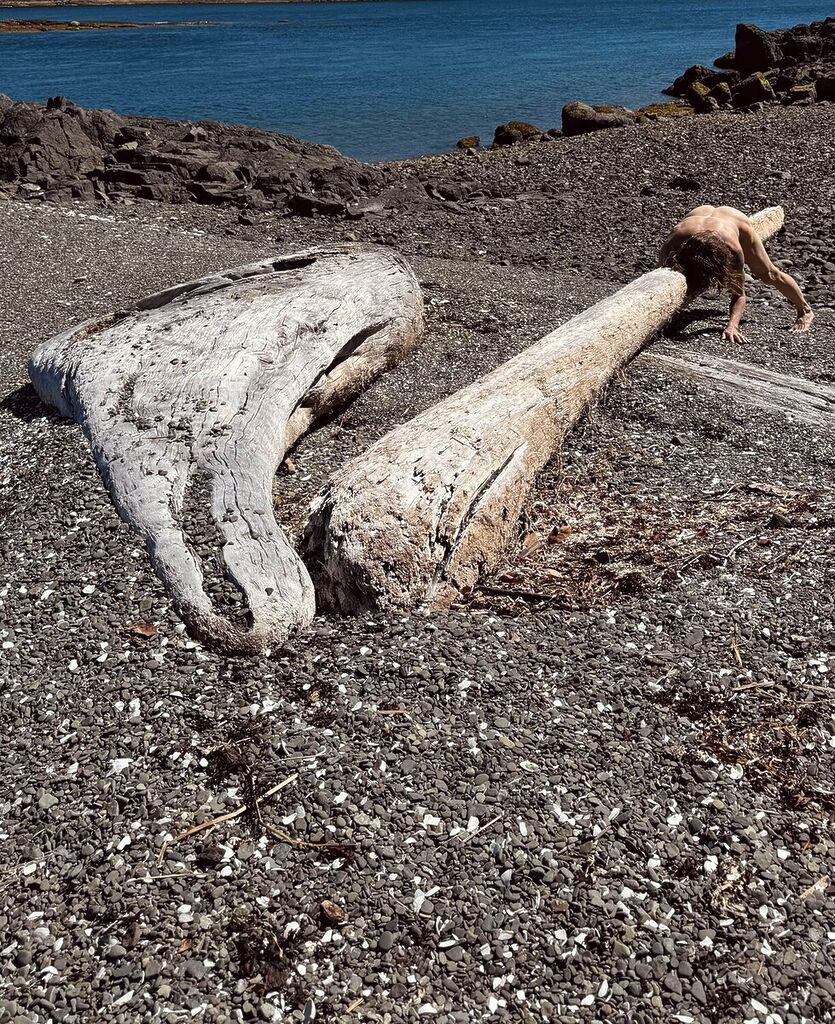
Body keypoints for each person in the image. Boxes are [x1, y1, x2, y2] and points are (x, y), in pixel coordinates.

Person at [659, 205, 813, 343]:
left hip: (735, 219)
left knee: (769, 274)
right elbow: (660, 275)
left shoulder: (733, 247)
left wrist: (732, 326)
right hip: (700, 213)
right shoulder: (677, 236)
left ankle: (805, 310)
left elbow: (739, 293)